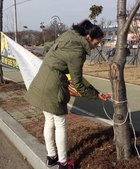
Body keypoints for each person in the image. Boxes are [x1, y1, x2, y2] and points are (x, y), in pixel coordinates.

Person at [24, 19, 107, 169]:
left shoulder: (68, 35)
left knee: (49, 121)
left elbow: (49, 46)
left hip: (42, 79)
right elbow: (78, 84)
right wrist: (95, 95)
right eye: (95, 43)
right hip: (53, 87)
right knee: (60, 124)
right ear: (88, 38)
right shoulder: (78, 53)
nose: (95, 47)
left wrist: (58, 62)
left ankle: (51, 157)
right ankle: (63, 163)